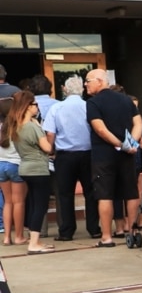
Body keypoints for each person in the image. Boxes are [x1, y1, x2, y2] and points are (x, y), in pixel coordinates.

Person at [85, 68, 142, 247]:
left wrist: (119, 145)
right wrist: (131, 145)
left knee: (105, 195)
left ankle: (107, 237)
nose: (85, 84)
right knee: (131, 192)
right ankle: (133, 232)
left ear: (100, 81)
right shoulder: (126, 100)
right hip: (127, 156)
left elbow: (100, 129)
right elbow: (138, 122)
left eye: (88, 80)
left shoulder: (93, 103)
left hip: (104, 155)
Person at [44, 76, 95, 241]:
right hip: (88, 154)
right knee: (91, 192)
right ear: (81, 89)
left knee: (65, 194)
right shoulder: (88, 106)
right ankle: (94, 228)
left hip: (65, 155)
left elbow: (50, 133)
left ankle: (66, 231)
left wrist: (50, 150)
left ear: (65, 90)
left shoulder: (56, 108)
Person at [8, 91, 55, 254]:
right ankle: (34, 243)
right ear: (27, 107)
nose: (37, 107)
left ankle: (36, 240)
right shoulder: (32, 127)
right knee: (40, 206)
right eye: (34, 104)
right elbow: (47, 148)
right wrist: (42, 130)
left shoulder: (16, 127)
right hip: (38, 169)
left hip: (25, 168)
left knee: (34, 203)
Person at [0, 97, 23, 244]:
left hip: (1, 165)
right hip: (16, 165)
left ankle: (7, 237)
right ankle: (19, 236)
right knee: (18, 202)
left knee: (7, 202)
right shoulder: (19, 127)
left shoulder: (1, 127)